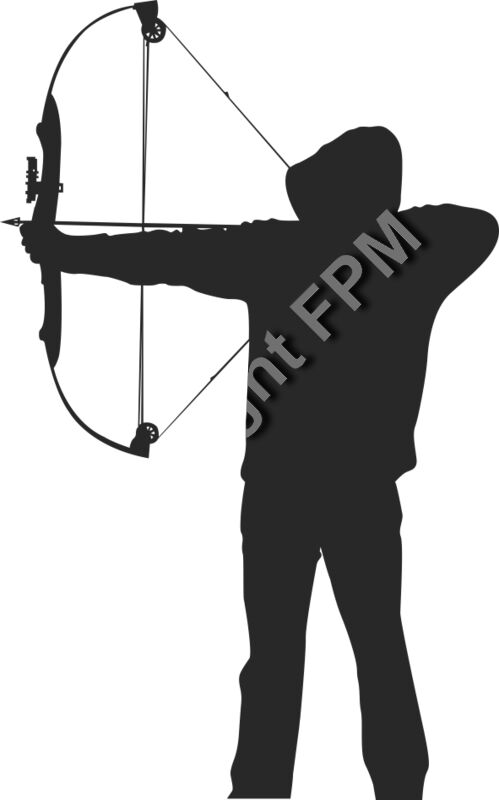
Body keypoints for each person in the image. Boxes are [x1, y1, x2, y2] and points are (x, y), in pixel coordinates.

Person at [21, 126, 498, 799]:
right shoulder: (407, 252)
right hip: (349, 491)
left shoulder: (276, 248)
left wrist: (63, 251)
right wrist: (66, 252)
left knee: (291, 658)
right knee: (371, 649)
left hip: (287, 491)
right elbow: (475, 227)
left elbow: (168, 253)